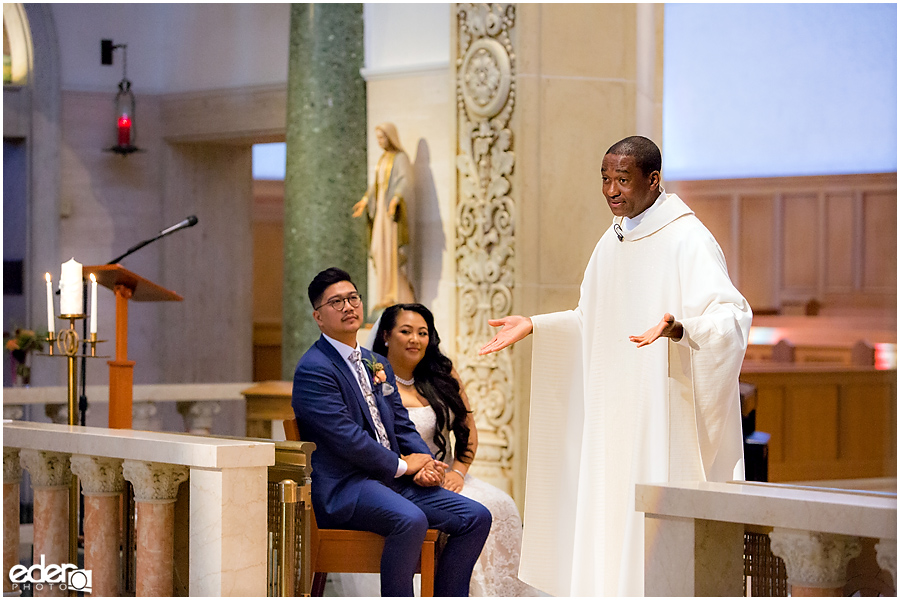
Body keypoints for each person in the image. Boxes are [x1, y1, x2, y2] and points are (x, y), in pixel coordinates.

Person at [479, 136, 752, 596]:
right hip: (613, 418)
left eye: (622, 180)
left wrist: (681, 328)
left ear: (653, 179)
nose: (611, 190)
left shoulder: (688, 237)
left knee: (651, 528)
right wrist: (536, 325)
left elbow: (731, 316)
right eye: (605, 179)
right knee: (610, 519)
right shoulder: (612, 240)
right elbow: (592, 320)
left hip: (659, 411)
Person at [291, 267, 491, 597]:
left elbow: (401, 423)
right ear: (319, 317)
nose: (348, 306)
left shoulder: (376, 363)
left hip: (390, 483)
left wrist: (424, 463)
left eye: (352, 298)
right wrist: (403, 465)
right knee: (410, 519)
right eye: (336, 302)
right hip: (346, 487)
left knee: (476, 517)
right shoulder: (314, 369)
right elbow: (346, 438)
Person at [372, 303, 539, 597]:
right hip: (402, 479)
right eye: (406, 331)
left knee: (501, 504)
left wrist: (459, 472)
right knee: (475, 514)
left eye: (422, 333)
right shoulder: (374, 380)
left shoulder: (442, 372)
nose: (415, 339)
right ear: (386, 335)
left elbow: (467, 429)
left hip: (448, 474)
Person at [352, 122, 416, 313]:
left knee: (391, 254)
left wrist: (396, 198)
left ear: (391, 137)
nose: (380, 142)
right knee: (378, 251)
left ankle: (397, 297)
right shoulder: (383, 159)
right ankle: (385, 296)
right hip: (380, 212)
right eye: (378, 138)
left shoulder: (400, 158)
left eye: (382, 137)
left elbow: (405, 180)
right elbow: (376, 186)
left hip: (391, 216)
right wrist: (365, 201)